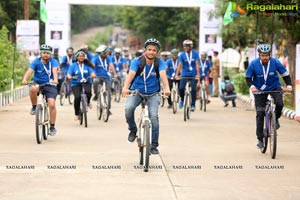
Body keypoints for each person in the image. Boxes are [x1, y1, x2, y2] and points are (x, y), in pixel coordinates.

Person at [122, 38, 170, 155]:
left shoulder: (160, 62)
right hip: (137, 92)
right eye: (149, 49)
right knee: (128, 109)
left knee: (154, 117)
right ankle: (133, 130)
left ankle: (154, 145)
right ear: (145, 50)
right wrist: (125, 87)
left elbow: (163, 75)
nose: (151, 52)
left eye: (154, 50)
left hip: (153, 93)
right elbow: (132, 74)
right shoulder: (137, 61)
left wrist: (167, 88)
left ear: (157, 52)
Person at [245, 43, 292, 149]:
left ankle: (275, 118)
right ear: (259, 55)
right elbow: (248, 78)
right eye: (263, 55)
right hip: (259, 89)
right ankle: (260, 139)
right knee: (260, 113)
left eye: (267, 55)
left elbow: (285, 74)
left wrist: (289, 85)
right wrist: (252, 86)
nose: (265, 57)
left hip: (274, 87)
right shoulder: (253, 64)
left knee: (280, 104)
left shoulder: (275, 62)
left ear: (269, 55)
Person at [21, 44, 59, 136]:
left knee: (52, 104)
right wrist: (25, 79)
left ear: (50, 54)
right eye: (44, 53)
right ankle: (34, 107)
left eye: (48, 53)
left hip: (50, 85)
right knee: (33, 88)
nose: (46, 55)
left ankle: (52, 126)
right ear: (41, 53)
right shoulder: (36, 62)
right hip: (37, 83)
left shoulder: (53, 62)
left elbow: (54, 71)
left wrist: (55, 80)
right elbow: (29, 71)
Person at [67, 50, 96, 120]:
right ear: (77, 57)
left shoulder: (87, 65)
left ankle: (88, 102)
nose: (81, 57)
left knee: (88, 92)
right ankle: (77, 114)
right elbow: (69, 73)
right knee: (77, 97)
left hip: (87, 82)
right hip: (75, 83)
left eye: (83, 56)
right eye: (80, 56)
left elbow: (92, 72)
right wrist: (69, 76)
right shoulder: (73, 65)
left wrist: (92, 75)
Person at [175, 39, 200, 111]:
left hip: (193, 75)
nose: (186, 47)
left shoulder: (195, 54)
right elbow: (180, 64)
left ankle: (193, 105)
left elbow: (197, 63)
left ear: (191, 46)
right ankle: (182, 100)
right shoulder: (182, 55)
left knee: (194, 90)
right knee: (181, 88)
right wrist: (177, 74)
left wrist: (198, 74)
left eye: (187, 46)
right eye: (185, 46)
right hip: (184, 74)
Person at [91, 45, 118, 114]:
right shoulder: (95, 58)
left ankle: (108, 109)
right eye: (104, 53)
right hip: (98, 76)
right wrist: (92, 72)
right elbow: (92, 65)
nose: (106, 54)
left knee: (108, 94)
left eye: (106, 53)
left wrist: (115, 73)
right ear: (100, 53)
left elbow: (111, 65)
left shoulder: (108, 58)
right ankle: (96, 95)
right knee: (95, 81)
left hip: (106, 76)